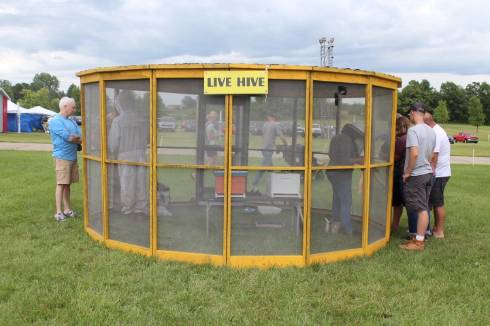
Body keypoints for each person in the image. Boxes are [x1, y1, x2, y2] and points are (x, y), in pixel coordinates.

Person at [399, 102, 436, 251]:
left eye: (410, 114)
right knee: (424, 207)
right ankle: (418, 237)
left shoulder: (413, 131)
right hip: (427, 173)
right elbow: (431, 154)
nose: (409, 116)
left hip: (417, 175)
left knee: (420, 209)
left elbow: (414, 153)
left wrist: (408, 172)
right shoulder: (431, 131)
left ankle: (419, 242)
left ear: (414, 112)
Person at [108, 90, 149, 215]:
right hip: (141, 154)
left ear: (121, 103)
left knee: (127, 182)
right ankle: (140, 207)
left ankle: (128, 208)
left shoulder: (118, 121)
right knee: (141, 181)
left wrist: (112, 151)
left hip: (125, 154)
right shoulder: (141, 119)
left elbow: (113, 142)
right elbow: (147, 137)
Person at [49, 97, 81, 222]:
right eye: (73, 107)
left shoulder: (72, 121)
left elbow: (80, 136)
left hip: (72, 157)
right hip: (62, 157)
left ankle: (67, 210)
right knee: (61, 184)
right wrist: (75, 138)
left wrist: (76, 138)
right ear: (65, 106)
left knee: (68, 185)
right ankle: (58, 212)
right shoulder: (56, 121)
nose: (74, 109)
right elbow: (69, 138)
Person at [326, 123, 360, 235]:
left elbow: (332, 155)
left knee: (337, 199)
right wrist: (358, 160)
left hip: (332, 172)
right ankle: (347, 228)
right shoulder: (347, 140)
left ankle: (335, 225)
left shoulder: (336, 137)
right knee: (346, 201)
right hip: (341, 174)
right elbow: (345, 161)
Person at [424, 109, 451, 239]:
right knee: (433, 201)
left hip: (439, 174)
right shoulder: (436, 130)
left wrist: (429, 174)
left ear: (427, 123)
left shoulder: (436, 133)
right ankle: (431, 228)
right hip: (438, 172)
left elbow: (434, 156)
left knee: (438, 202)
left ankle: (439, 231)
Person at [250, 113, 288, 193]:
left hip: (263, 149)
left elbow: (264, 136)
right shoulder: (275, 125)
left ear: (270, 117)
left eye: (268, 117)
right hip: (269, 149)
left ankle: (273, 187)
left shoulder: (265, 125)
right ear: (274, 118)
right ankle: (254, 185)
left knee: (270, 168)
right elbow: (281, 136)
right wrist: (286, 144)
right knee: (263, 167)